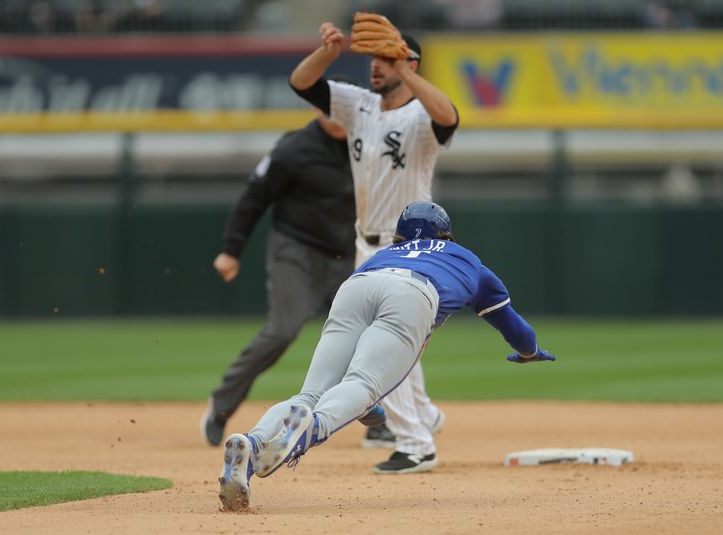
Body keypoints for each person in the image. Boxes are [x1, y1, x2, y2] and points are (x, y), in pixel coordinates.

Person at [217, 201, 556, 512]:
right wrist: (530, 353)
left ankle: (251, 444)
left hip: (358, 286)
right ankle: (312, 429)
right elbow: (516, 330)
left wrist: (367, 409)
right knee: (362, 384)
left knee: (310, 394)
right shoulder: (467, 260)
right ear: (446, 234)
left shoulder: (383, 253)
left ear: (400, 237)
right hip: (412, 292)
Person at [289, 17, 460, 473]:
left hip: (411, 251)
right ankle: (423, 416)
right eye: (374, 58)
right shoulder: (358, 104)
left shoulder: (422, 116)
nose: (375, 67)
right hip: (367, 245)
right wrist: (328, 51)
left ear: (410, 62)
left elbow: (450, 116)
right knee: (398, 338)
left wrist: (403, 66)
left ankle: (416, 444)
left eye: (385, 57)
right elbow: (301, 81)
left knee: (385, 343)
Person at [200, 109, 355, 447]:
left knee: (364, 332)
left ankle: (380, 420)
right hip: (295, 250)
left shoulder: (364, 143)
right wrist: (231, 249)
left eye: (347, 110)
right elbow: (254, 196)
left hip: (344, 253)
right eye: (331, 109)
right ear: (317, 110)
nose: (339, 117)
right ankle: (221, 407)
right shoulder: (293, 149)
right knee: (283, 330)